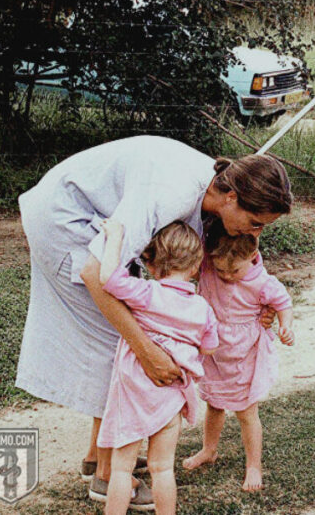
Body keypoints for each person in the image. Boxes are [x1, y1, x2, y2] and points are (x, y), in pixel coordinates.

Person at [16, 136, 292, 508]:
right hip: (65, 221)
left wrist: (263, 302)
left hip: (91, 219)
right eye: (256, 222)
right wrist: (146, 352)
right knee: (115, 343)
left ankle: (100, 455)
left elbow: (236, 260)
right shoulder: (172, 193)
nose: (256, 233)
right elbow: (95, 271)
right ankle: (108, 477)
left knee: (118, 338)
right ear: (232, 198)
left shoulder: (215, 188)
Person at [96, 220, 219, 515]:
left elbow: (108, 279)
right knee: (162, 467)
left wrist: (115, 235)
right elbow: (210, 346)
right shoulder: (202, 308)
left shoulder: (147, 293)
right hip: (171, 396)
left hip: (133, 395)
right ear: (194, 268)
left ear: (153, 265)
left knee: (122, 468)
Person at [183, 229, 294, 492]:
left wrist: (285, 325)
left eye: (234, 271)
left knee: (246, 411)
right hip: (215, 352)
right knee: (214, 403)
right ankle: (209, 450)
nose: (226, 276)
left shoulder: (262, 282)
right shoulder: (211, 265)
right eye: (221, 271)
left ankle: (253, 465)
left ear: (253, 256)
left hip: (244, 354)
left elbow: (283, 302)